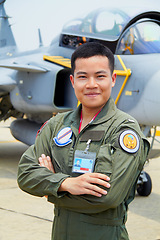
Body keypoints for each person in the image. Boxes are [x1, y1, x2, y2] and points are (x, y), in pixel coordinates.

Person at [17, 42, 150, 240]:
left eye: (100, 76)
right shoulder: (57, 125)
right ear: (72, 81)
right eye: (82, 77)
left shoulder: (124, 131)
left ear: (113, 79)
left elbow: (108, 198)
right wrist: (65, 183)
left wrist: (50, 189)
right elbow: (25, 174)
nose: (91, 84)